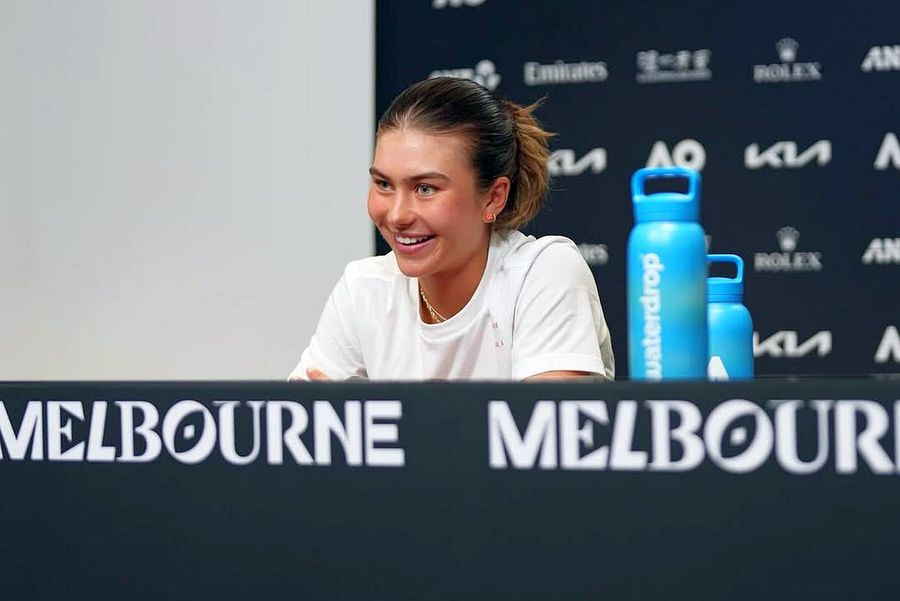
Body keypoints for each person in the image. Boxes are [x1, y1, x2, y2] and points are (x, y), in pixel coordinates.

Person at [289, 77, 614, 381]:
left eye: (425, 188)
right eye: (384, 184)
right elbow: (298, 416)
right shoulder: (364, 287)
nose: (397, 215)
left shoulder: (543, 272)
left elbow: (542, 422)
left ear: (494, 197)